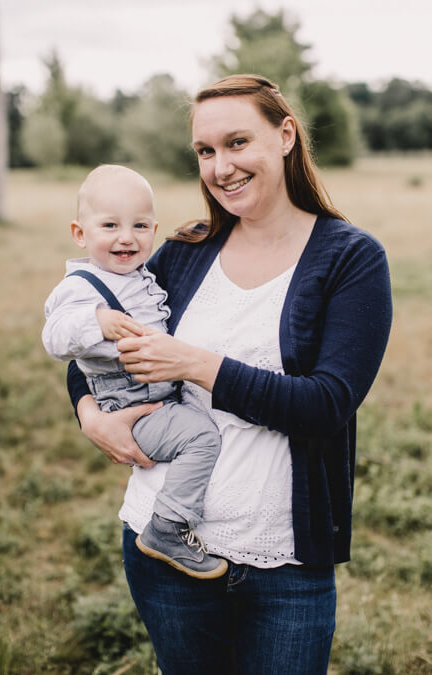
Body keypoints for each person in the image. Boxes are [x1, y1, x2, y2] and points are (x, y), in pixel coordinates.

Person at [67, 75, 392, 674]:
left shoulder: (351, 259)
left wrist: (196, 364)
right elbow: (95, 345)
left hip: (285, 565)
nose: (221, 167)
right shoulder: (183, 251)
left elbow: (326, 404)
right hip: (162, 551)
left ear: (286, 134)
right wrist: (90, 415)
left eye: (238, 142)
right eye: (206, 151)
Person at [42, 164, 227, 579]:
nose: (127, 237)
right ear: (80, 233)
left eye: (140, 225)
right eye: (110, 225)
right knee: (201, 437)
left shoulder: (140, 275)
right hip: (132, 403)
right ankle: (168, 524)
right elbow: (54, 338)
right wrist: (97, 322)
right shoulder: (82, 287)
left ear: (154, 229)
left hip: (156, 395)